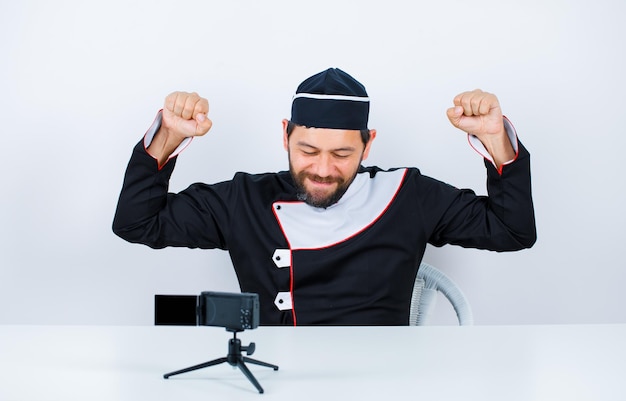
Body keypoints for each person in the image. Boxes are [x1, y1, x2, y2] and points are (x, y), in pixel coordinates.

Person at [113, 68, 536, 326]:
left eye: (342, 154)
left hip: (385, 383)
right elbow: (137, 223)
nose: (322, 169)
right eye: (308, 151)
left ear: (368, 147)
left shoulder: (409, 195)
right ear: (285, 135)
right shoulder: (242, 199)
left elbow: (512, 230)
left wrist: (496, 140)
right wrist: (167, 137)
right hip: (273, 381)